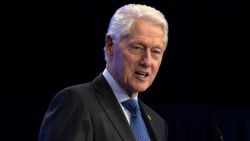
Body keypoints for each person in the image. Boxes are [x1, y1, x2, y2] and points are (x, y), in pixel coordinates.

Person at [38, 3, 169, 141]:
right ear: (110, 45)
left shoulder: (157, 124)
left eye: (156, 52)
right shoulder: (76, 102)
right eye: (137, 48)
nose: (147, 61)